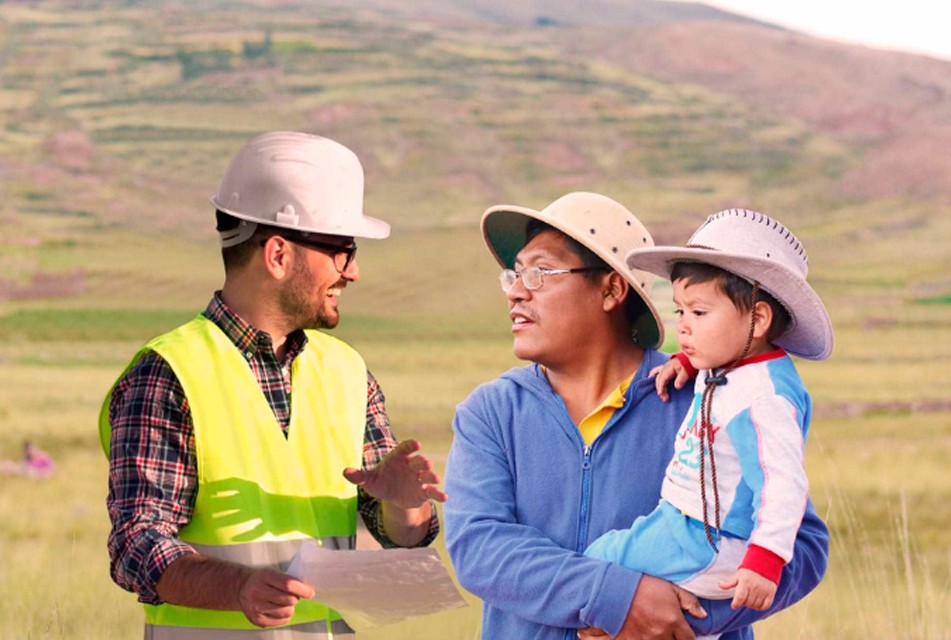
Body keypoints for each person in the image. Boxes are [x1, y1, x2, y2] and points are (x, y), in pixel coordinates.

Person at [99, 131, 447, 639]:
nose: (353, 273)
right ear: (279, 255)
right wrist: (237, 589)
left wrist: (403, 505)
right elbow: (137, 542)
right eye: (342, 251)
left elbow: (401, 534)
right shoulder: (168, 373)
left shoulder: (349, 372)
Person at [443, 192, 829, 640]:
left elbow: (801, 545)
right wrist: (617, 598)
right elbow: (480, 549)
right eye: (513, 274)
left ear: (611, 289)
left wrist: (680, 620)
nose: (515, 291)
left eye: (540, 272)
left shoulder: (705, 398)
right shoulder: (491, 413)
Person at [584, 209, 833, 638]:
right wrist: (687, 362)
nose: (682, 326)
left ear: (758, 318)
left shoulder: (765, 399)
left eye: (698, 313)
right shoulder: (733, 368)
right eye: (680, 311)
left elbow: (782, 485)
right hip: (681, 524)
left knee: (600, 563)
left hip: (710, 538)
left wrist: (765, 562)